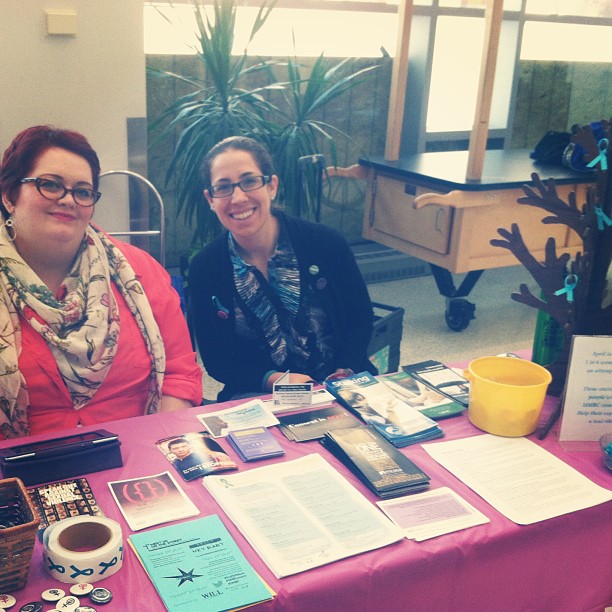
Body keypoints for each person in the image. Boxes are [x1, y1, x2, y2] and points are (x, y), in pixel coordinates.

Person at [0, 125, 203, 439]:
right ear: (10, 195)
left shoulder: (137, 271)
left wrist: (162, 450)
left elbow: (178, 372)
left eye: (82, 191)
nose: (68, 200)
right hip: (21, 471)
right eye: (50, 185)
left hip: (140, 459)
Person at [189, 136, 376, 401]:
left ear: (271, 185)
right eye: (223, 187)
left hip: (340, 381)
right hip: (259, 391)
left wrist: (343, 373)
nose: (238, 197)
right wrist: (277, 381)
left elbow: (360, 319)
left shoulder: (326, 243)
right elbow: (218, 360)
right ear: (210, 198)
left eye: (249, 181)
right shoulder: (205, 268)